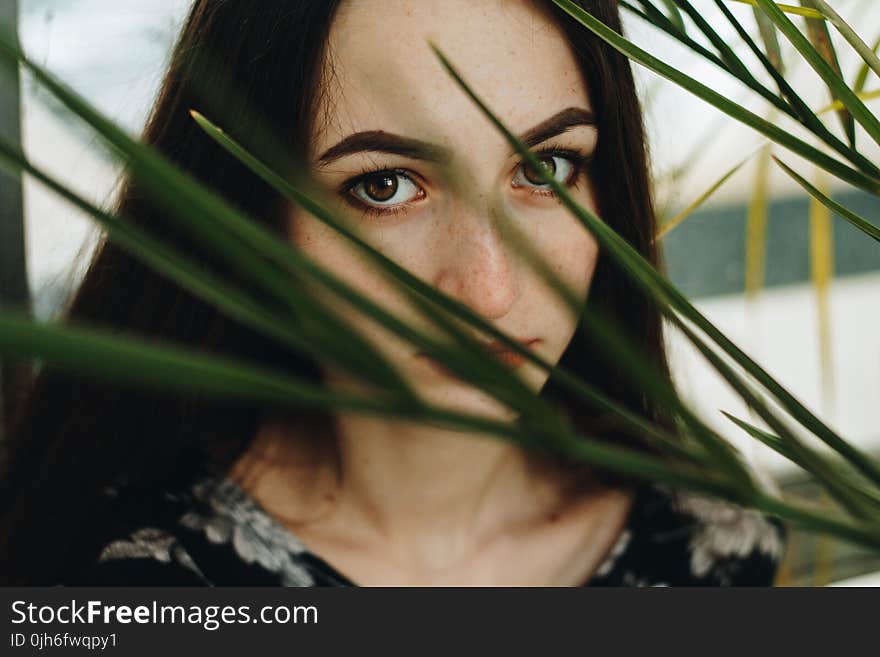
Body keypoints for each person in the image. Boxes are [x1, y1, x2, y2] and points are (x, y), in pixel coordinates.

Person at [0, 0, 785, 586]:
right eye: (384, 185)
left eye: (544, 168)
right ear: (253, 216)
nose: (489, 287)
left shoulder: (711, 544)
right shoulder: (135, 582)